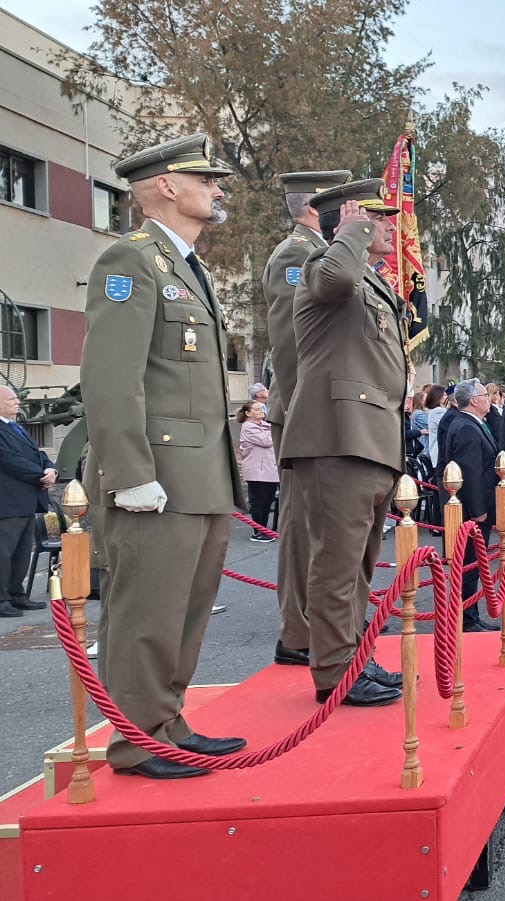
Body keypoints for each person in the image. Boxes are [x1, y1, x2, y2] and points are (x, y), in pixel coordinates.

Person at [82, 134, 247, 779]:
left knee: (185, 608)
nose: (216, 187)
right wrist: (129, 475)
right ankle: (136, 740)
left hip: (199, 473)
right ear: (166, 187)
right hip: (157, 476)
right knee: (147, 613)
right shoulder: (130, 261)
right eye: (203, 178)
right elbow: (111, 379)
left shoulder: (186, 266)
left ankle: (167, 723)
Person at [279, 178, 408, 708]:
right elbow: (334, 279)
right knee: (336, 564)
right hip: (337, 438)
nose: (389, 226)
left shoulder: (370, 282)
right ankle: (334, 670)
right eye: (376, 217)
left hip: (370, 438)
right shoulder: (322, 268)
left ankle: (356, 657)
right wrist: (351, 231)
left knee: (357, 566)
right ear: (347, 221)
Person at [262, 170, 350, 668]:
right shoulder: (296, 254)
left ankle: (314, 624)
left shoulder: (317, 251)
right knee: (300, 524)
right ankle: (296, 631)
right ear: (316, 208)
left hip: (318, 410)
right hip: (301, 410)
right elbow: (291, 342)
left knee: (318, 523)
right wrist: (305, 415)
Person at [436, 378, 499, 632]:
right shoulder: (465, 427)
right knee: (469, 566)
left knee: (473, 566)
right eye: (485, 395)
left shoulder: (474, 423)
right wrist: (477, 510)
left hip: (478, 507)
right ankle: (467, 619)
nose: (489, 399)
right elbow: (470, 472)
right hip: (472, 512)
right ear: (474, 400)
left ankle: (471, 615)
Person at [0, 386, 55, 617]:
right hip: (7, 501)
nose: (17, 402)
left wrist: (50, 469)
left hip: (26, 500)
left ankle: (17, 594)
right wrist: (39, 475)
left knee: (23, 552)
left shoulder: (16, 427)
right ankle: (2, 600)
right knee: (4, 553)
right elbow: (9, 459)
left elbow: (37, 454)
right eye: (11, 399)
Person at [237, 401, 278, 542]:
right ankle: (257, 532)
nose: (261, 411)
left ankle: (264, 529)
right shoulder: (248, 427)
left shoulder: (266, 425)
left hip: (269, 470)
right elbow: (267, 441)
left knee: (267, 502)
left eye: (262, 408)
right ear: (248, 413)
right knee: (258, 502)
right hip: (257, 471)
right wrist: (277, 431)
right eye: (257, 409)